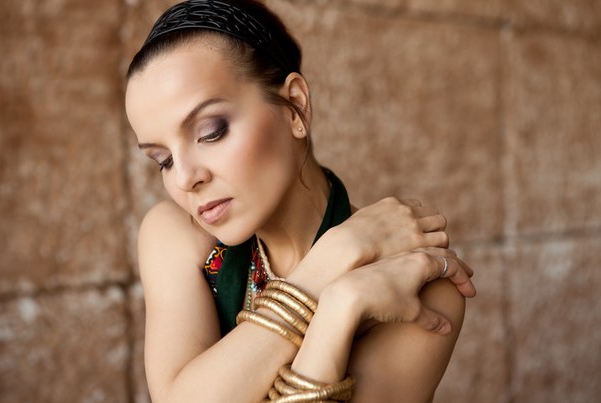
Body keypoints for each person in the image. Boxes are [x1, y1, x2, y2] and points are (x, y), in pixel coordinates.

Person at [125, 0, 476, 401]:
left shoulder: (415, 286)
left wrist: (341, 307)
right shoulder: (178, 236)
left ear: (295, 106)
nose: (185, 179)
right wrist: (327, 267)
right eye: (163, 160)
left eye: (211, 131)